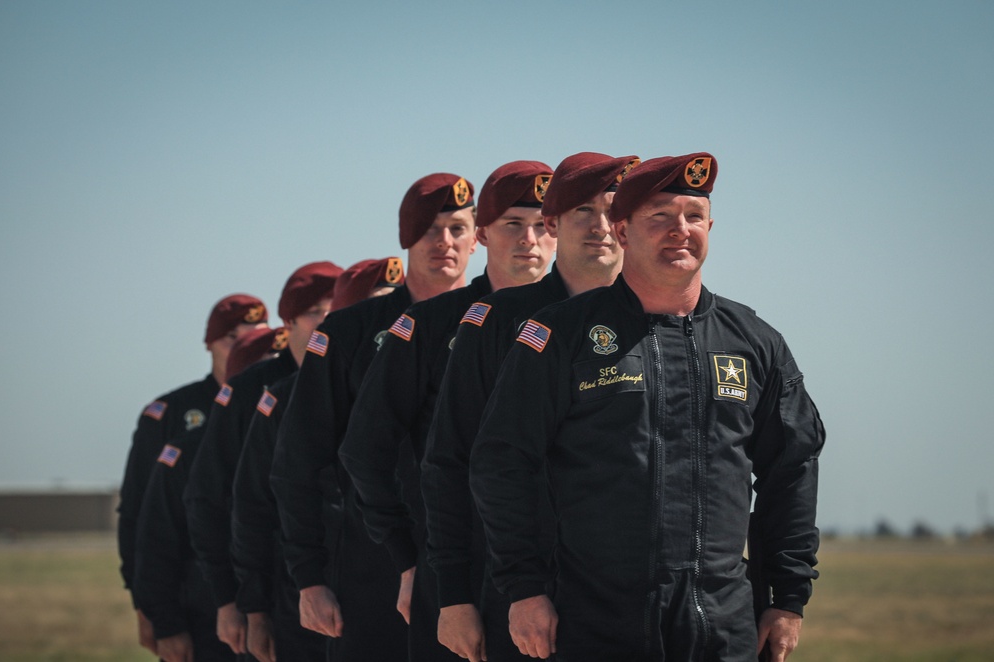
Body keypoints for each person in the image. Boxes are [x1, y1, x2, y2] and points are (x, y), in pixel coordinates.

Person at [469, 153, 825, 662]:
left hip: (722, 624)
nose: (679, 230)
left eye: (693, 216)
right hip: (596, 622)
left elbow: (792, 468)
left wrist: (787, 599)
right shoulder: (558, 335)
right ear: (622, 230)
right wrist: (524, 589)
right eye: (659, 216)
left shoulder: (755, 343)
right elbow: (501, 461)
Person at [421, 152, 638, 662]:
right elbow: (449, 459)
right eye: (584, 211)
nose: (601, 227)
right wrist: (452, 593)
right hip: (526, 587)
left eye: (612, 211)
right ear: (554, 224)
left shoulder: (660, 321)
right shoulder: (498, 321)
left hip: (634, 597)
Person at [339, 160, 557, 660]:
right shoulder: (431, 325)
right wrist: (407, 556)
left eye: (542, 226)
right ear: (483, 235)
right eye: (512, 225)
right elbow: (364, 449)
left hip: (562, 568)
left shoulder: (579, 323)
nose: (530, 239)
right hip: (459, 564)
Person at [270, 173, 476, 661]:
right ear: (406, 238)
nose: (444, 242)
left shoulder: (496, 322)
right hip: (371, 570)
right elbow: (298, 462)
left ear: (476, 237)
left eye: (457, 229)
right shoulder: (349, 332)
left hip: (475, 566)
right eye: (429, 230)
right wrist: (310, 577)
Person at [230, 257, 405, 662]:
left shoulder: (421, 383)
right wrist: (253, 610)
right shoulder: (283, 400)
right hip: (320, 595)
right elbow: (253, 506)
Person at [185, 261, 342, 656]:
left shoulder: (362, 375)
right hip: (279, 595)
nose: (325, 322)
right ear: (287, 323)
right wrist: (242, 606)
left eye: (334, 311)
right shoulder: (252, 391)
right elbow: (218, 500)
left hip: (358, 587)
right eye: (313, 312)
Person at [117, 293, 268, 655]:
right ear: (209, 344)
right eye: (231, 338)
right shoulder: (170, 413)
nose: (240, 348)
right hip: (195, 598)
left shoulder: (281, 411)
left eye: (255, 337)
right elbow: (142, 517)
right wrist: (150, 611)